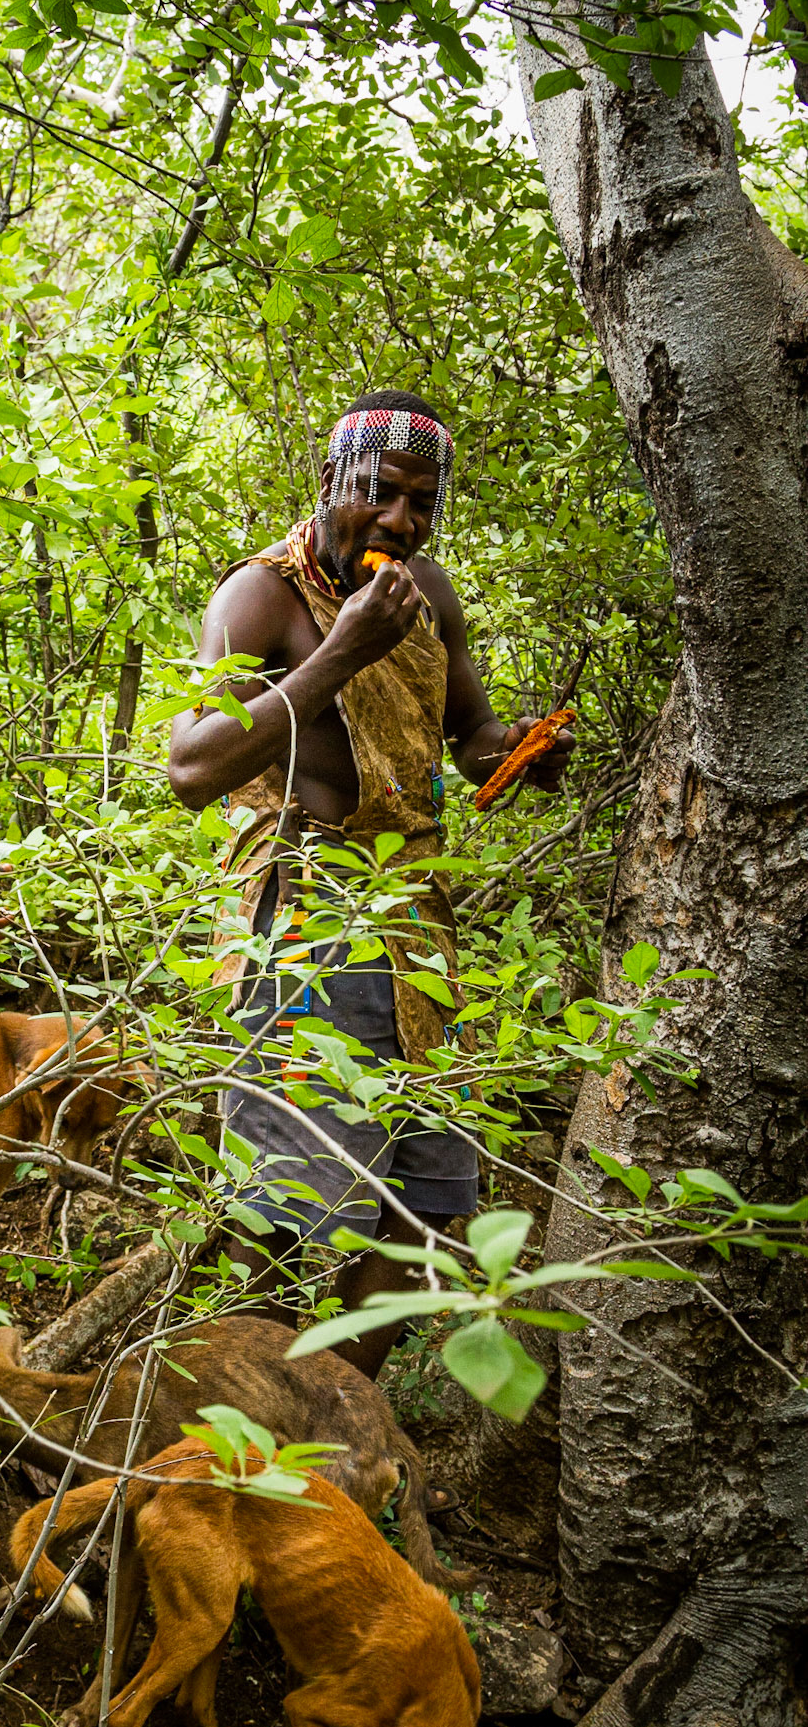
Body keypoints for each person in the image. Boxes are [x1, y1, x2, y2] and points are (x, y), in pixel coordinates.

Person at [168, 390, 576, 1378]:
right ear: (329, 486)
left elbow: (469, 737)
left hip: (412, 930)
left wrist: (518, 750)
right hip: (305, 923)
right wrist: (344, 646)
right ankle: (235, 1444)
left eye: (421, 504)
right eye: (380, 495)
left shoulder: (425, 592)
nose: (400, 521)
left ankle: (333, 1414)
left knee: (427, 1217)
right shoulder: (259, 597)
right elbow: (191, 764)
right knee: (282, 1214)